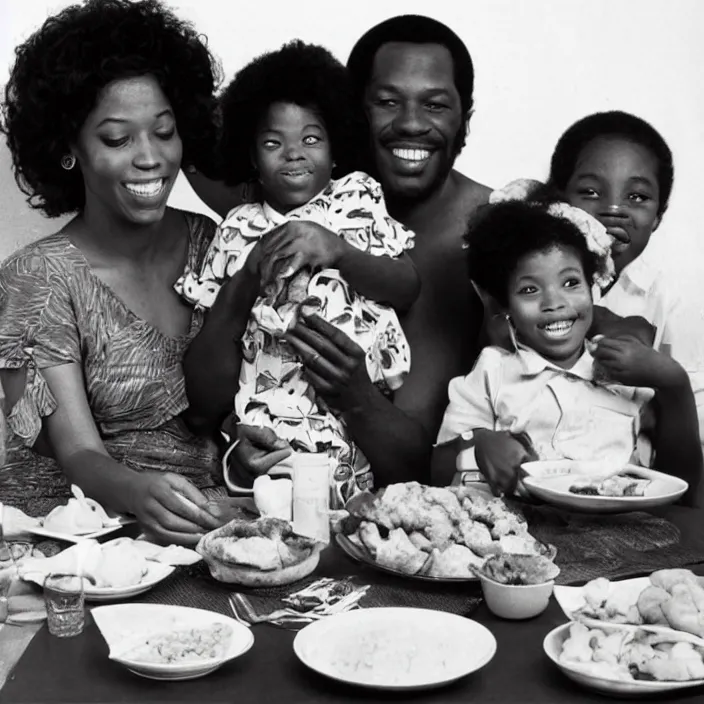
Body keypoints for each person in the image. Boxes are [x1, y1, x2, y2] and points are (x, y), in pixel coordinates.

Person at [184, 15, 491, 488]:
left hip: (400, 485)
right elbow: (207, 400)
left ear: (464, 122)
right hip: (284, 460)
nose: (410, 122)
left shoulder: (492, 232)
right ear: (355, 112)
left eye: (435, 105)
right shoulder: (262, 214)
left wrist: (354, 394)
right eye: (387, 102)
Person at [0, 0, 226, 546]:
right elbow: (76, 451)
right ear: (69, 148)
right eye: (117, 139)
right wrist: (136, 491)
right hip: (68, 540)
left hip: (196, 522)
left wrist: (245, 446)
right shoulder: (38, 278)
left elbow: (231, 402)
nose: (150, 158)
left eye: (164, 131)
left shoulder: (216, 243)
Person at [177, 41, 419, 506]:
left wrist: (339, 251)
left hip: (355, 418)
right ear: (250, 156)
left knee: (354, 523)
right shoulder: (237, 230)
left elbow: (407, 287)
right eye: (273, 142)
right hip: (272, 424)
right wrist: (250, 273)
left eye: (311, 139)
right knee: (277, 529)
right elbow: (207, 367)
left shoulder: (357, 201)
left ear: (335, 151)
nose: (293, 153)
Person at [431, 200, 702, 505]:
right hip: (519, 533)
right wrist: (478, 443)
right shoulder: (493, 371)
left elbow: (684, 487)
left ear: (592, 289)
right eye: (530, 290)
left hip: (619, 541)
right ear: (505, 307)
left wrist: (672, 380)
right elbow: (435, 470)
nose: (554, 302)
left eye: (571, 283)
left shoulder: (628, 371)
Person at [547, 110, 704, 446]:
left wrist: (664, 381)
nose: (613, 210)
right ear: (559, 201)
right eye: (590, 192)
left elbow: (691, 427)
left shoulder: (669, 300)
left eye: (637, 197)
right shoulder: (525, 282)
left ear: (659, 216)